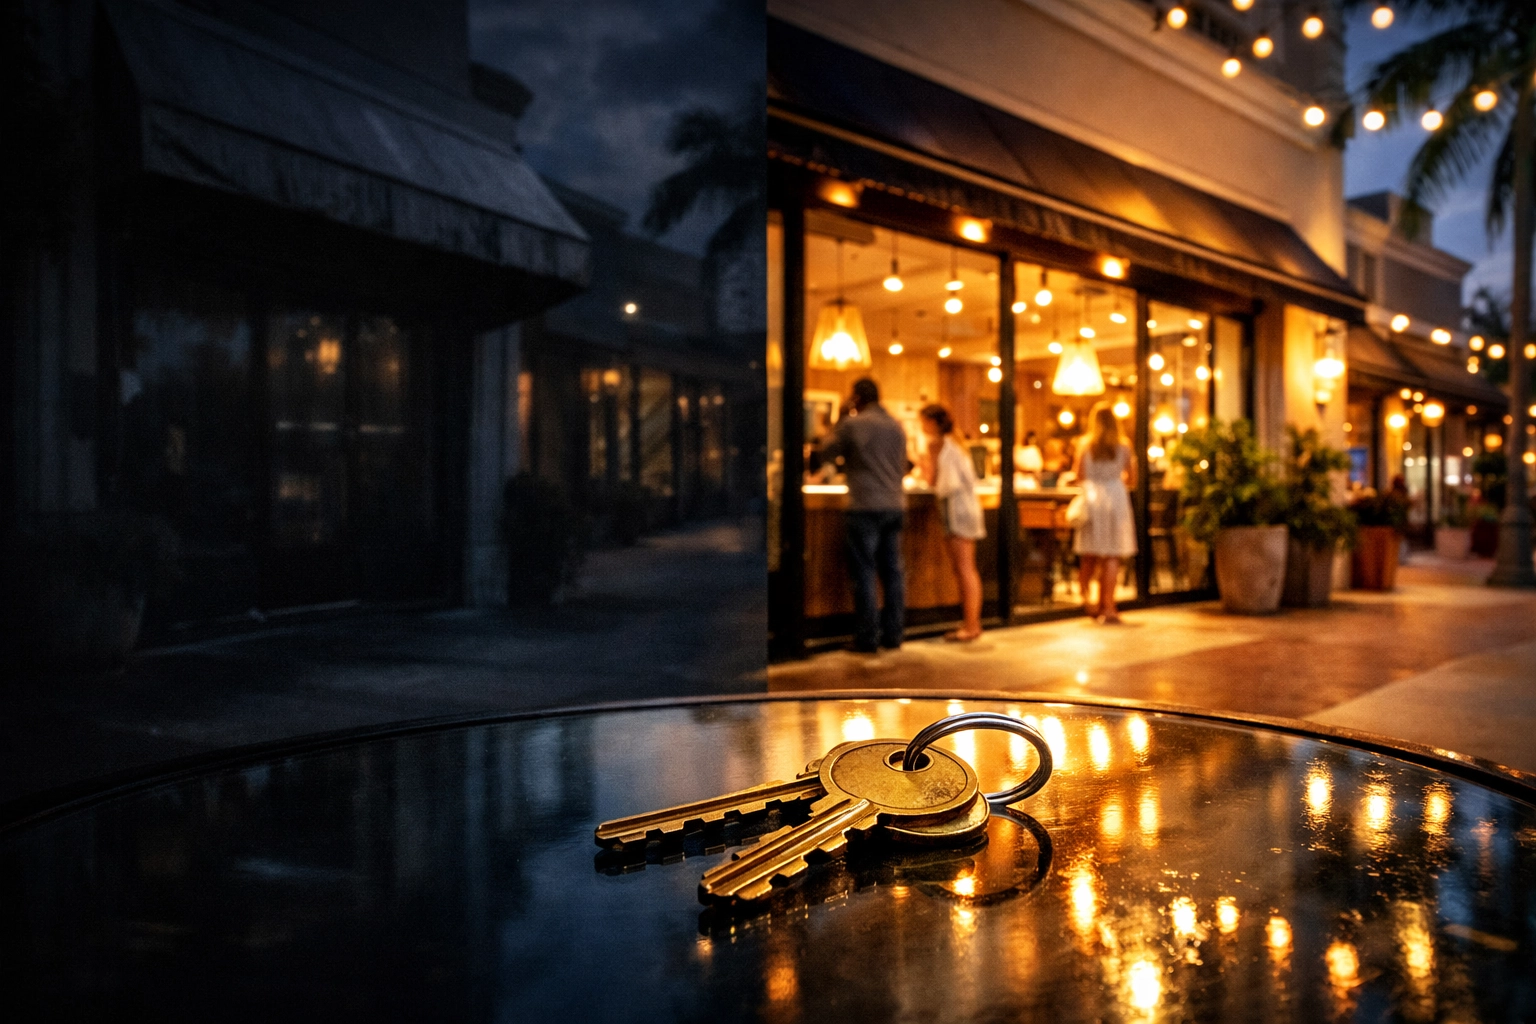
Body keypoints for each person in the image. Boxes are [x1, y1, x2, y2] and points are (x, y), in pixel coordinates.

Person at [819, 378, 910, 652]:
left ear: (856, 397)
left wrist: (842, 415)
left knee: (865, 572)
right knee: (893, 572)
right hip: (894, 504)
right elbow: (903, 465)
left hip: (865, 506)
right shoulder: (897, 426)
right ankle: (894, 635)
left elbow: (826, 450)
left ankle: (867, 638)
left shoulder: (852, 424)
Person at [921, 404, 985, 641]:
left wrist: (923, 463)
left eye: (924, 422)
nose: (921, 427)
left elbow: (935, 482)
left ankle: (971, 625)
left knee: (964, 568)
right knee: (965, 568)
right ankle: (970, 622)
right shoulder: (956, 443)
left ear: (933, 423)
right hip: (965, 507)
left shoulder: (939, 445)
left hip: (956, 509)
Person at [1071, 402, 1137, 623]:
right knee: (1111, 554)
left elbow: (1079, 474)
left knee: (1090, 552)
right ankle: (1108, 605)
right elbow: (1132, 477)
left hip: (1093, 498)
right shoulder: (1124, 445)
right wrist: (1115, 479)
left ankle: (1086, 598)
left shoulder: (1085, 445)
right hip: (1116, 497)